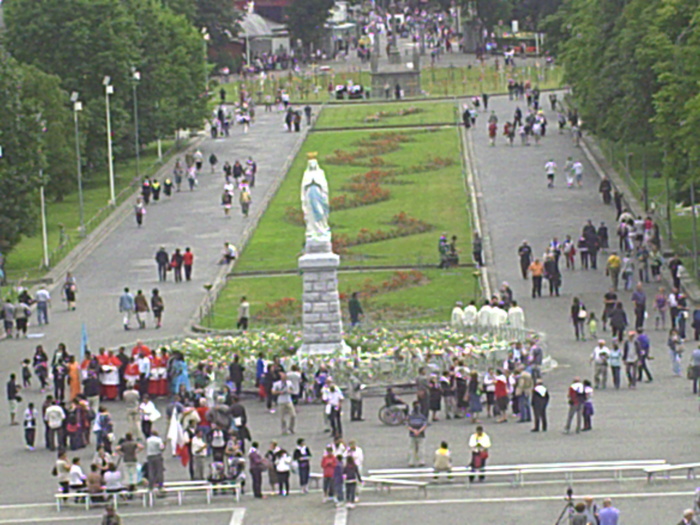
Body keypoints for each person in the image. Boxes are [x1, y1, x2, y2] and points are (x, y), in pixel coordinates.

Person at [407, 401, 427, 467]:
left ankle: (411, 462)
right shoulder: (422, 416)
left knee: (412, 448)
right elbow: (425, 425)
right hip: (421, 434)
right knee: (421, 448)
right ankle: (421, 461)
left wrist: (413, 430)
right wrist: (419, 431)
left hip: (412, 434)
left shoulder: (410, 417)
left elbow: (407, 425)